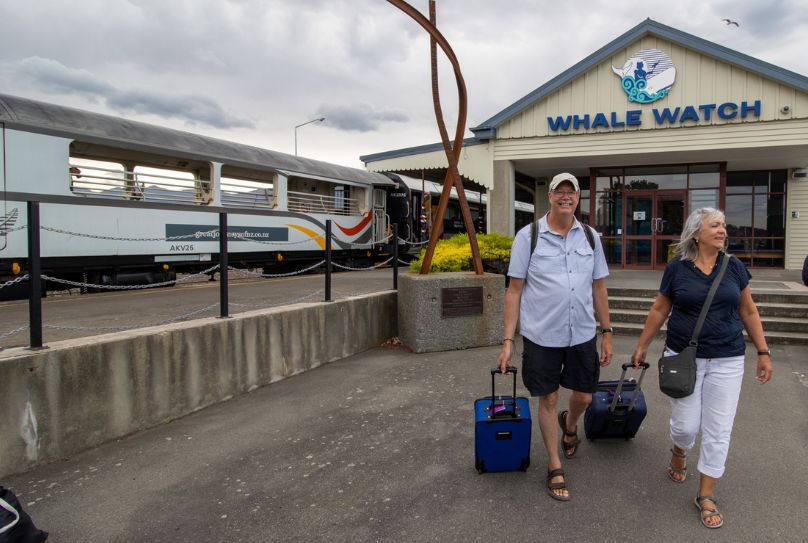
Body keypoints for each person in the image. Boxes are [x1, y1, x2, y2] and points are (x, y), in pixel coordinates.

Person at [630, 207, 772, 529]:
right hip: (684, 358)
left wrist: (763, 351)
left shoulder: (734, 267)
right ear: (697, 232)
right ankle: (679, 448)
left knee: (718, 431)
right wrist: (642, 345)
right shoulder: (677, 269)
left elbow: (748, 311)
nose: (723, 230)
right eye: (715, 225)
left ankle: (706, 494)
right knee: (686, 426)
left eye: (723, 225)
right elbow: (659, 308)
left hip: (728, 358)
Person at [496, 172, 613, 501]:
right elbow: (513, 291)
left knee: (585, 397)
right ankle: (554, 464)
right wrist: (508, 342)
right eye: (559, 191)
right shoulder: (528, 236)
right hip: (541, 336)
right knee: (547, 398)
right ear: (549, 197)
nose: (566, 197)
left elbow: (599, 287)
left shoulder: (590, 237)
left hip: (582, 335)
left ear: (578, 198)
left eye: (571, 192)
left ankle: (571, 423)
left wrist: (607, 332)